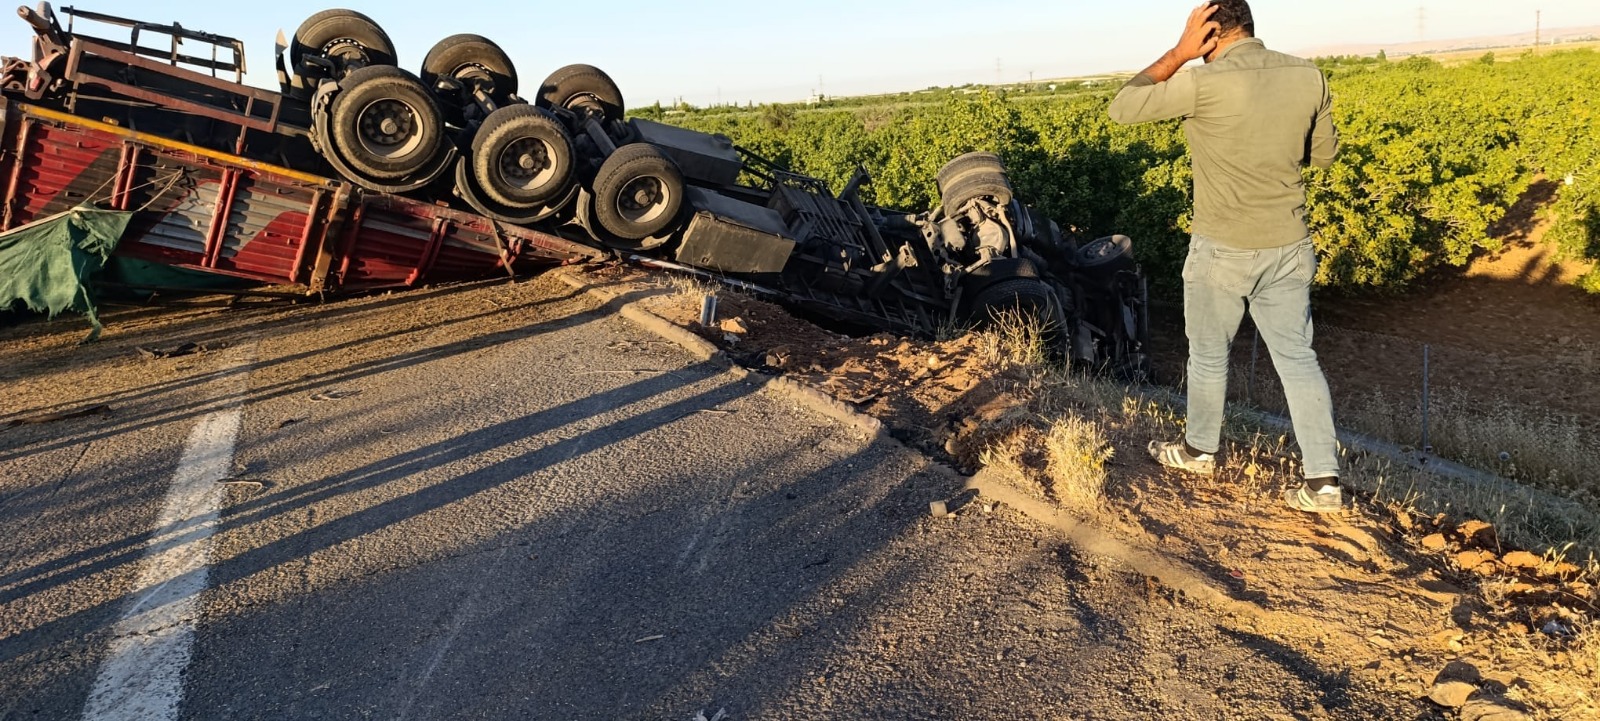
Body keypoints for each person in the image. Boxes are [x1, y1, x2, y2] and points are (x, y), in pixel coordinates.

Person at [1107, 0, 1343, 512]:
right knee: (1299, 361)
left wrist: (1178, 52)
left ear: (1211, 35)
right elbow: (1322, 155)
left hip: (1223, 248)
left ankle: (1198, 452)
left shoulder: (1202, 83)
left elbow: (1122, 108)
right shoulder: (1309, 76)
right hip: (1289, 244)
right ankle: (1323, 483)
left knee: (1210, 356)